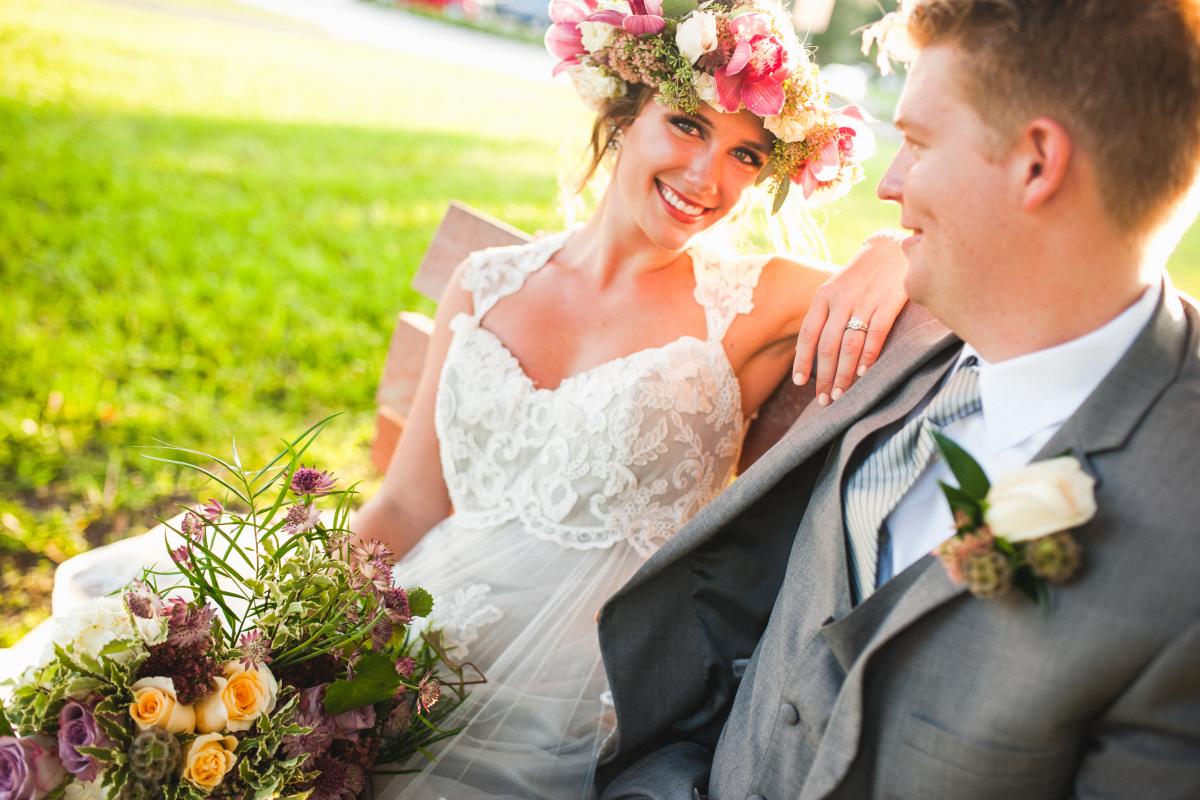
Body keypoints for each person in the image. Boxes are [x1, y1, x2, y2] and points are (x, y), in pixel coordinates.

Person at [595, 0, 1200, 798]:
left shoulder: (1180, 549)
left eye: (915, 143)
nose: (887, 185)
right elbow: (735, 622)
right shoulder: (899, 334)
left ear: (1036, 163)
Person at [353, 1, 911, 796]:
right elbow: (406, 506)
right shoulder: (483, 286)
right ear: (625, 114)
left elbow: (949, 275)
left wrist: (890, 249)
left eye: (747, 155)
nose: (707, 178)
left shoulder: (757, 302)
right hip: (414, 646)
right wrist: (289, 622)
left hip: (574, 707)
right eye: (687, 125)